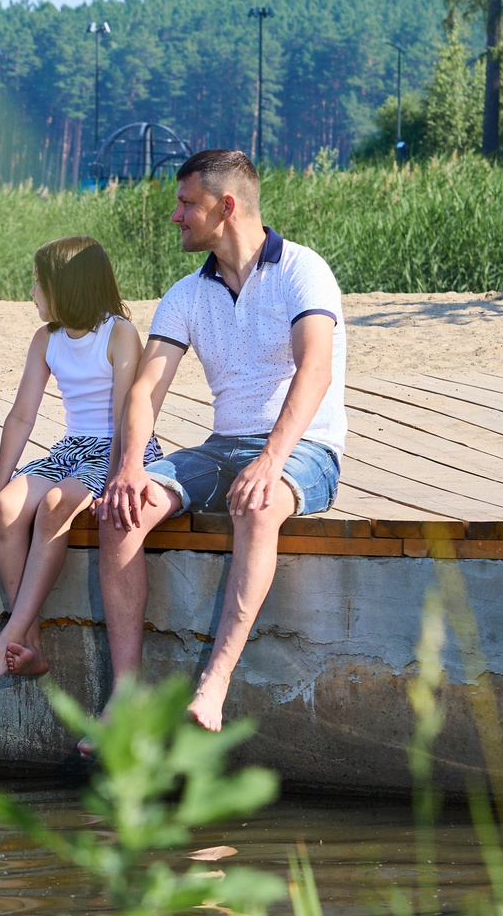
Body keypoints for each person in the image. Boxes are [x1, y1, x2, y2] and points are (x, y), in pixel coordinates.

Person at [96, 149, 346, 734]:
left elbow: (315, 372)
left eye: (187, 204)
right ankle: (126, 694)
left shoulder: (303, 271)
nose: (177, 216)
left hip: (304, 448)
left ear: (225, 206)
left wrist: (271, 460)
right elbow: (145, 390)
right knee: (120, 513)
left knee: (257, 503)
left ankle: (216, 682)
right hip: (221, 447)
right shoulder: (186, 292)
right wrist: (131, 465)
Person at [0, 236, 160, 683]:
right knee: (9, 510)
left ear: (67, 287)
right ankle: (28, 642)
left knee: (55, 504)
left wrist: (114, 479)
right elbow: (20, 417)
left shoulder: (119, 333)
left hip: (118, 448)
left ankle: (6, 638)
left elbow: (125, 416)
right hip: (72, 449)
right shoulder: (46, 338)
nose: (32, 292)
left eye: (39, 283)